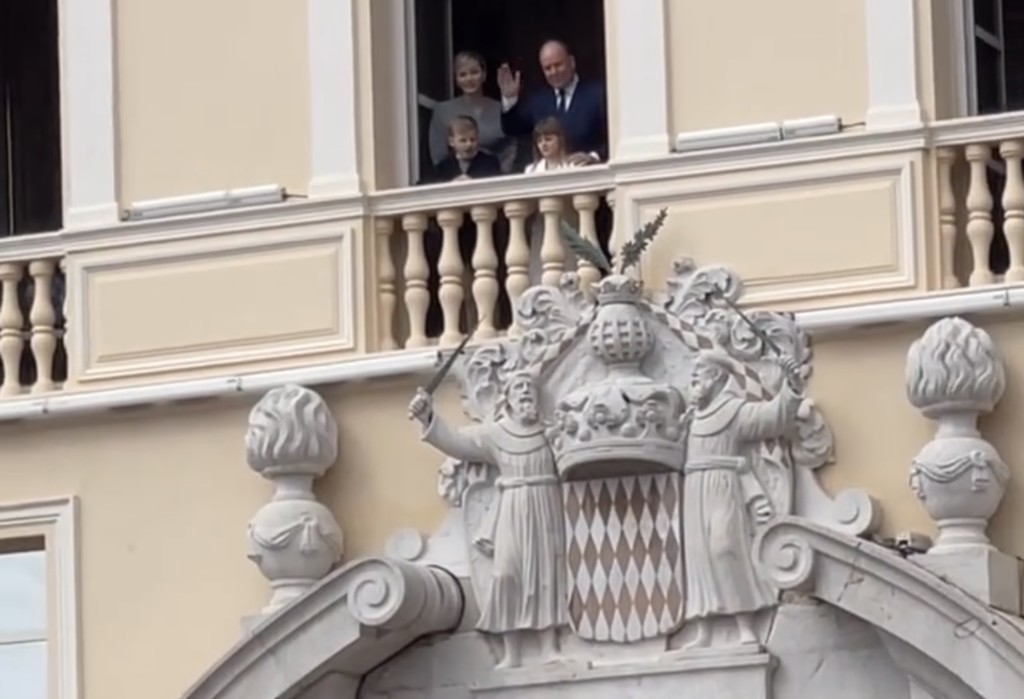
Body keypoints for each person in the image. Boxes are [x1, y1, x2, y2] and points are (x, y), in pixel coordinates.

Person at [408, 372, 567, 669]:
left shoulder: (549, 433)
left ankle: (550, 645)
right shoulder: (497, 434)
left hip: (545, 505)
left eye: (529, 388)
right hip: (513, 505)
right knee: (505, 574)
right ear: (508, 398)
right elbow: (458, 443)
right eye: (518, 388)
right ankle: (512, 650)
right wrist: (428, 416)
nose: (525, 392)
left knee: (545, 574)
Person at [681, 349, 803, 649]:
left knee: (725, 548)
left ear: (716, 376)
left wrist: (790, 386)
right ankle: (703, 628)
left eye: (700, 372)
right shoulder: (693, 416)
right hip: (694, 488)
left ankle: (745, 625)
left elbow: (772, 418)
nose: (694, 378)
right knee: (698, 557)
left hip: (723, 485)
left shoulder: (734, 411)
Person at [497, 40, 608, 165]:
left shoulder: (597, 94)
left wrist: (594, 156)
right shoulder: (538, 100)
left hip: (589, 171)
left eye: (558, 65)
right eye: (548, 68)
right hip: (549, 173)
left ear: (572, 62)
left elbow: (615, 135)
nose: (554, 72)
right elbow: (512, 129)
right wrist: (509, 98)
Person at [428, 51, 515, 173]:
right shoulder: (443, 111)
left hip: (494, 176)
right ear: (456, 79)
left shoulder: (500, 109)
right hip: (456, 179)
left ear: (484, 75)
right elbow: (438, 157)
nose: (469, 79)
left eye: (474, 72)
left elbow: (511, 149)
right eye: (463, 74)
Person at [425, 115, 502, 183]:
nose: (469, 144)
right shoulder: (443, 168)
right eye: (463, 140)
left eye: (473, 140)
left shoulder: (490, 163)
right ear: (451, 142)